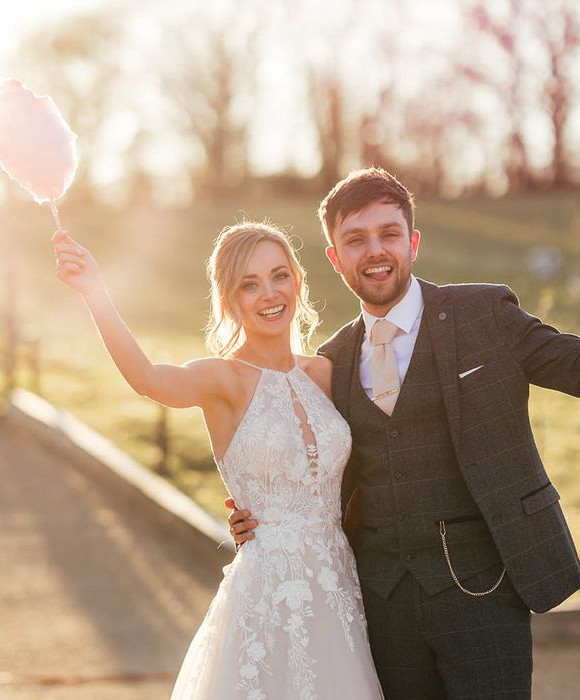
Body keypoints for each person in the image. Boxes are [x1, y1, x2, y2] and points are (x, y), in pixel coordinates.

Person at [228, 167, 580, 699]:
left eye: (389, 234)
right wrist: (252, 509)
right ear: (335, 257)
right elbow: (305, 462)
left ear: (413, 242)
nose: (375, 251)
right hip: (381, 603)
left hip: (484, 589)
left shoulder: (483, 313)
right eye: (355, 239)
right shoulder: (331, 361)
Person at [52, 221, 384, 699]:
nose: (269, 293)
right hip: (267, 594)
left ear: (298, 281)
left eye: (279, 276)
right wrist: (96, 293)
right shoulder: (222, 380)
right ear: (229, 299)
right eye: (249, 284)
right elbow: (148, 378)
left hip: (340, 588)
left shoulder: (327, 373)